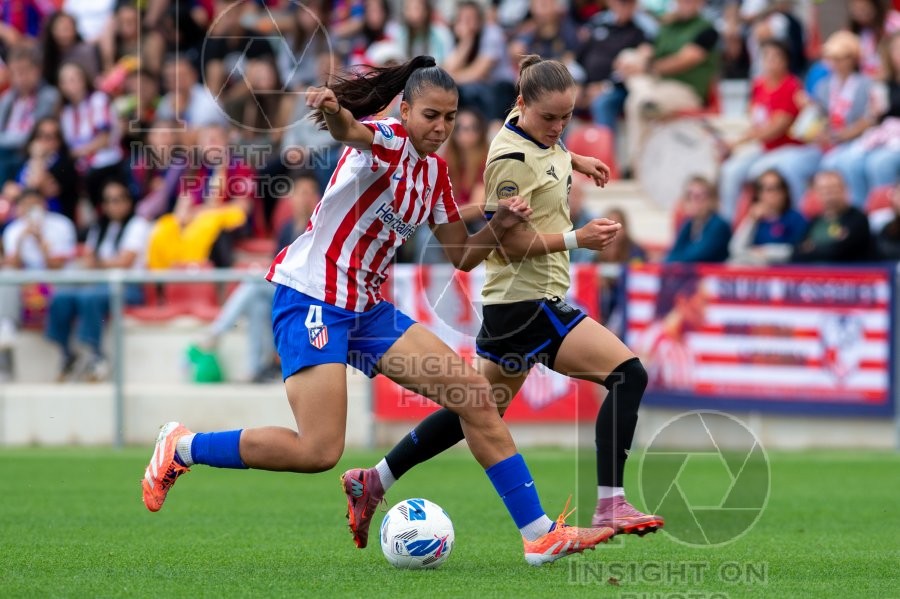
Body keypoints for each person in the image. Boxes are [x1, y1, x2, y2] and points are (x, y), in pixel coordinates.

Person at [140, 56, 615, 567]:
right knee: (318, 452)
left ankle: (538, 535)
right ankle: (183, 446)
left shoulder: (434, 172)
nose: (441, 127)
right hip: (312, 297)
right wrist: (333, 110)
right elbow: (351, 131)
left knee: (475, 396)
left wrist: (501, 223)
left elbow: (462, 254)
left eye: (450, 117)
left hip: (366, 307)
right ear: (405, 109)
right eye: (431, 115)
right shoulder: (386, 138)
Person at [340, 56, 663, 552]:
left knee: (475, 410)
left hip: (521, 304)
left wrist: (574, 158)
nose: (557, 127)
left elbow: (542, 149)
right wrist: (578, 238)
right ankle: (610, 500)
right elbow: (506, 244)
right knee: (627, 374)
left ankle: (376, 479)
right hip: (526, 302)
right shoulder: (508, 160)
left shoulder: (536, 135)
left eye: (566, 118)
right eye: (549, 118)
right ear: (520, 105)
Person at [46, 181, 150, 381]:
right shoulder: (100, 228)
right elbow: (90, 260)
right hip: (99, 285)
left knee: (89, 297)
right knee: (61, 298)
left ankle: (97, 354)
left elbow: (125, 261)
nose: (114, 205)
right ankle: (67, 353)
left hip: (129, 287)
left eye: (119, 200)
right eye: (109, 201)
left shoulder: (138, 225)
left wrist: (97, 262)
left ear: (129, 201)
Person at [791, 170, 873, 263]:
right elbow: (796, 253)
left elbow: (840, 252)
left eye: (833, 189)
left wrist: (813, 248)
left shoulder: (858, 219)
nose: (829, 195)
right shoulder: (814, 222)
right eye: (823, 190)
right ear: (816, 193)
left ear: (845, 189)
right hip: (816, 275)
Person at [729, 169, 807, 265]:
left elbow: (797, 250)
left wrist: (765, 251)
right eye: (764, 189)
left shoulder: (795, 219)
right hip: (754, 269)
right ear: (758, 194)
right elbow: (735, 249)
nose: (771, 194)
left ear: (785, 192)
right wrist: (751, 220)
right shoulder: (756, 220)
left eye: (775, 188)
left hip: (781, 271)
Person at [666, 176, 731, 262]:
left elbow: (695, 256)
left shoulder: (718, 225)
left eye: (698, 197)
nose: (693, 202)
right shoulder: (689, 223)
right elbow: (673, 253)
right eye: (689, 196)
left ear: (712, 200)